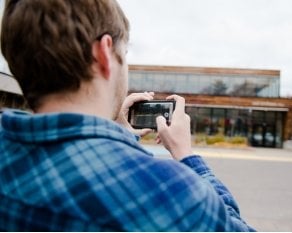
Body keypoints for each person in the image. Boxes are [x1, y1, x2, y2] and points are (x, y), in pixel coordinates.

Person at [0, 0, 255, 231]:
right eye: (126, 53)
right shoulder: (170, 189)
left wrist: (121, 134)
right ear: (104, 53)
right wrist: (187, 156)